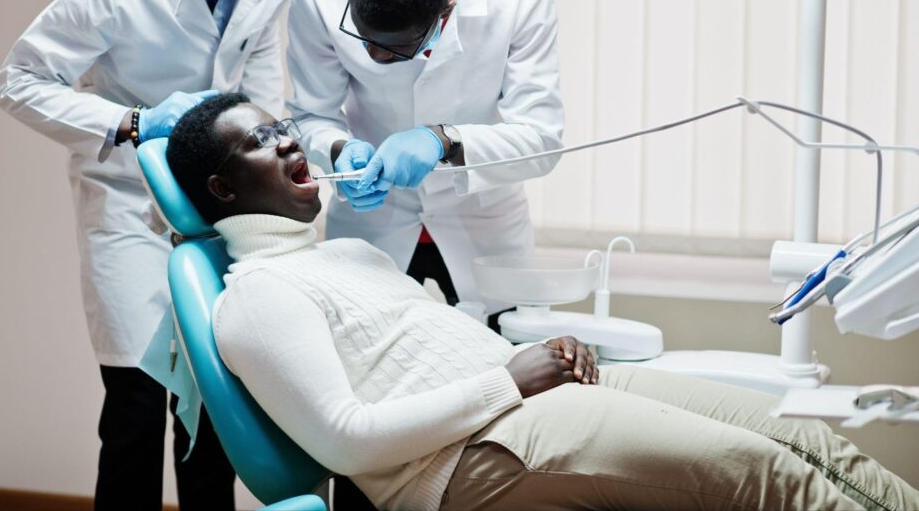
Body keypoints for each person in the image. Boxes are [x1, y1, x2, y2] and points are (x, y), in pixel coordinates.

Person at [165, 93, 919, 511]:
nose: (294, 144)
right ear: (224, 190)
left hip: (526, 397)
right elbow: (346, 441)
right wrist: (509, 380)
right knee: (767, 478)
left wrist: (546, 356)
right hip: (470, 454)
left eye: (284, 128)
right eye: (262, 141)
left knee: (808, 443)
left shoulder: (347, 253)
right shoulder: (256, 299)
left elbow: (430, 350)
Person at [0, 0, 299, 508]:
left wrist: (267, 150)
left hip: (215, 204)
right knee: (138, 400)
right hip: (129, 199)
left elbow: (260, 69)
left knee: (216, 401)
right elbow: (17, 82)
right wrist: (136, 122)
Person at [286, 0, 563, 326]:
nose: (372, 59)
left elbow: (542, 139)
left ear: (445, 16)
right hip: (374, 222)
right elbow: (312, 114)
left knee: (510, 365)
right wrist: (337, 149)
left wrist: (444, 141)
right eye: (362, 40)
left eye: (392, 49)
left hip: (484, 224)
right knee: (370, 365)